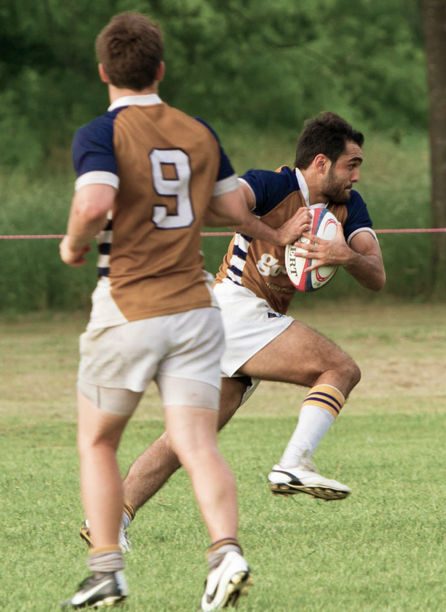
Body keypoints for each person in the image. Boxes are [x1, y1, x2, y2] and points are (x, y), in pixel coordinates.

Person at [61, 12, 307, 609]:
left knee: (98, 441)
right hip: (197, 309)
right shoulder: (197, 132)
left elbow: (95, 203)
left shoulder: (100, 133)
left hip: (129, 306)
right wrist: (270, 236)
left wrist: (72, 244)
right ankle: (226, 551)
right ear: (160, 70)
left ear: (104, 72)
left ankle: (106, 570)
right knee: (197, 442)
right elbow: (228, 209)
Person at [79, 111, 384, 551]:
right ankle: (294, 463)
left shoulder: (349, 206)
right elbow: (219, 206)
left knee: (187, 438)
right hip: (233, 308)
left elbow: (376, 275)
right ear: (321, 162)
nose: (357, 174)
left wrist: (346, 256)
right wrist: (276, 232)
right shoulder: (272, 185)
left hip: (239, 323)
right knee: (339, 368)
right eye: (351, 164)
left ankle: (108, 521)